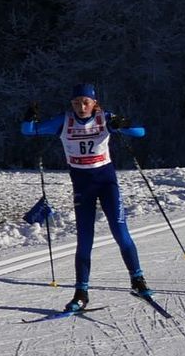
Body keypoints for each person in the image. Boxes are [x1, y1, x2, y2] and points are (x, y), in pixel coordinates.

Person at [20, 85, 148, 312]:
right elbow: (29, 131)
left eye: (86, 102)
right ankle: (81, 293)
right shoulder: (63, 121)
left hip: (107, 184)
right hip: (83, 186)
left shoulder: (104, 118)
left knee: (120, 231)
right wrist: (29, 116)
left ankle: (138, 280)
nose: (81, 107)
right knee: (84, 239)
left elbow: (140, 132)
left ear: (94, 103)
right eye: (77, 102)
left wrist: (124, 124)